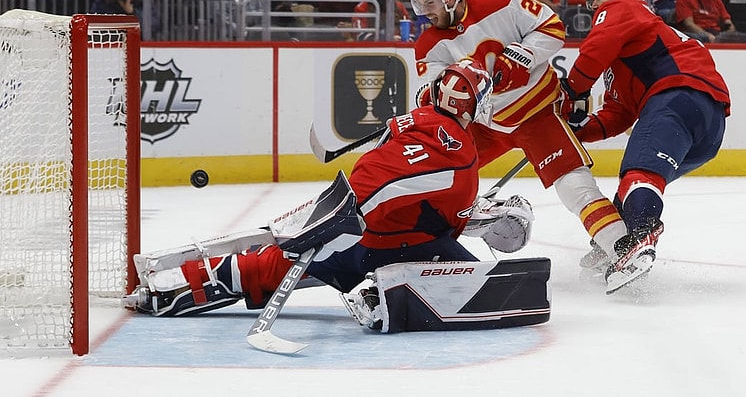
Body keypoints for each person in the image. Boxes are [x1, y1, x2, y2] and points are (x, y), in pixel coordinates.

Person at [123, 60, 539, 330]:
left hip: (365, 237)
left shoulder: (413, 121)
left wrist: (346, 210)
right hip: (396, 248)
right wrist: (490, 218)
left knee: (273, 264)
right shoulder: (461, 157)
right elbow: (415, 193)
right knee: (511, 291)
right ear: (477, 107)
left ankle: (171, 287)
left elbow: (393, 180)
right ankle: (386, 297)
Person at [410, 0, 631, 292]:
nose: (422, 12)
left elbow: (553, 27)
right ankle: (417, 250)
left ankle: (625, 251)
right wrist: (449, 90)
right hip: (484, 125)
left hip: (538, 112)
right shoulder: (428, 46)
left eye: (428, 3)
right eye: (418, 3)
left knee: (574, 186)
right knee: (434, 174)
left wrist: (521, 55)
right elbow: (431, 95)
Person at [560, 0, 730, 293]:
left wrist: (572, 90)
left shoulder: (623, 9)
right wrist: (578, 131)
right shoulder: (635, 43)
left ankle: (639, 237)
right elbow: (619, 112)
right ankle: (614, 246)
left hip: (676, 96)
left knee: (639, 171)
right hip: (707, 124)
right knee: (635, 180)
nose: (594, 6)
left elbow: (597, 47)